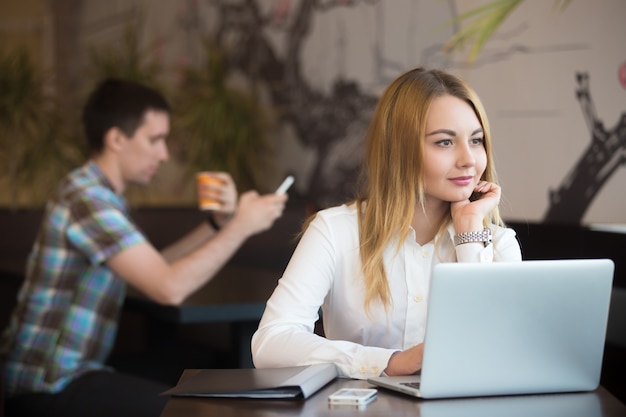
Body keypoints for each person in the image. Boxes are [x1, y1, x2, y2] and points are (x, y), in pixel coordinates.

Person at [0, 78, 288, 417]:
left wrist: (218, 224)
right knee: (201, 409)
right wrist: (242, 225)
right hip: (48, 384)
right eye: (155, 140)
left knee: (208, 370)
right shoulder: (89, 201)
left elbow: (153, 270)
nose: (164, 154)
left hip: (69, 373)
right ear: (117, 139)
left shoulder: (97, 194)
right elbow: (168, 287)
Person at [251, 67, 522, 379]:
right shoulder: (335, 231)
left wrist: (471, 238)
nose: (469, 159)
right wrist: (389, 362)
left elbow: (495, 354)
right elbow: (270, 343)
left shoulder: (497, 244)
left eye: (476, 141)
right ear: (399, 148)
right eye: (445, 142)